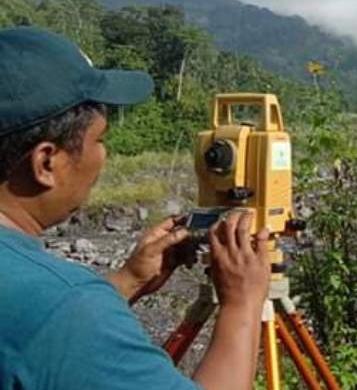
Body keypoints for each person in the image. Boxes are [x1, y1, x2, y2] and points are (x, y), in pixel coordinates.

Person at [0, 26, 270, 390]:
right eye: (101, 139)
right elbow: (53, 319)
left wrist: (128, 280)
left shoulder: (47, 303)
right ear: (46, 162)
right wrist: (242, 304)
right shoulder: (67, 310)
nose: (103, 155)